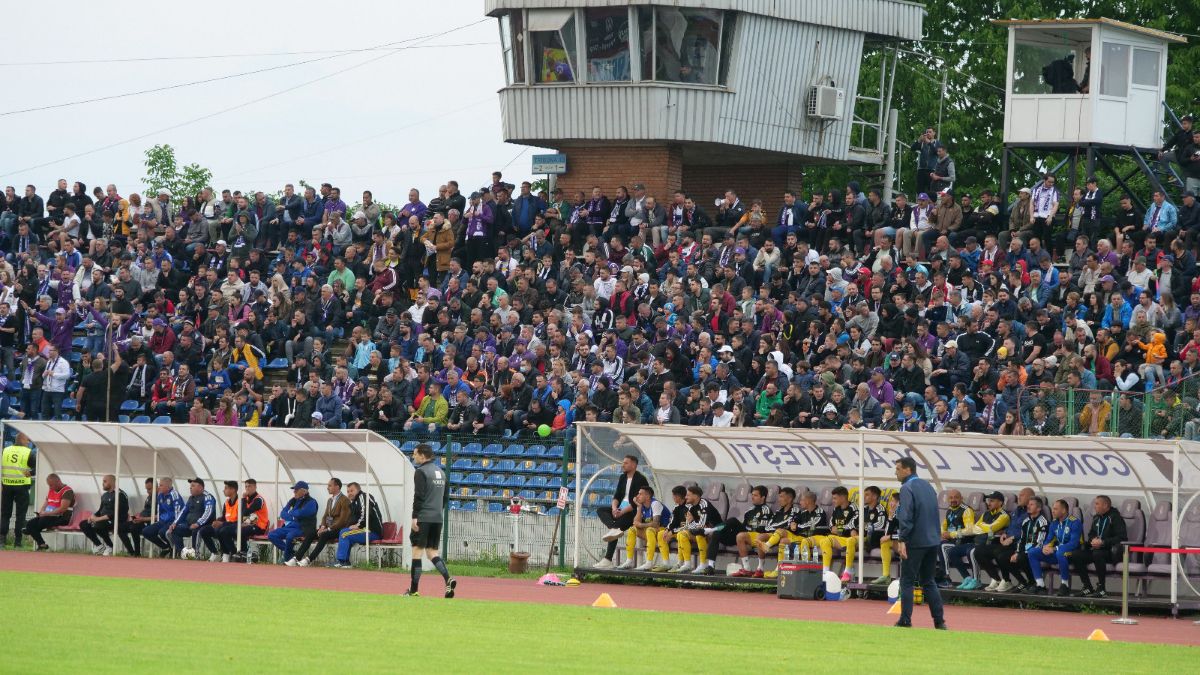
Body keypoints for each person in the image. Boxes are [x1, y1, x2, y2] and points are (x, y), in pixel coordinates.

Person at [894, 457, 947, 630]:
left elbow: (906, 515)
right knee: (929, 581)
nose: (896, 472)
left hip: (916, 541)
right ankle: (939, 621)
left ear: (908, 470)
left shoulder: (907, 488)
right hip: (933, 540)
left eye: (898, 469)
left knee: (907, 581)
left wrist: (902, 539)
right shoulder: (928, 487)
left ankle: (905, 619)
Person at [405, 444, 456, 598]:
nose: (413, 457)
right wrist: (437, 511)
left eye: (415, 454)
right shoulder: (441, 472)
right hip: (437, 518)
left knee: (417, 552)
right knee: (432, 552)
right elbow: (446, 497)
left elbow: (419, 496)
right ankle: (448, 580)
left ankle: (413, 590)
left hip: (423, 517)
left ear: (422, 455)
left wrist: (415, 517)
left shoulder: (421, 472)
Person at [978, 496, 1047, 593]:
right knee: (1002, 557)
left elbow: (1038, 543)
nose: (1028, 506)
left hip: (1035, 550)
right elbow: (1023, 539)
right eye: (1029, 504)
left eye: (1031, 505)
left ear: (1039, 508)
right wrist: (1017, 551)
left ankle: (1032, 582)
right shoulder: (1026, 521)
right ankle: (1023, 582)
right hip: (1023, 548)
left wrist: (1020, 552)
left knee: (1022, 557)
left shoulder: (1042, 522)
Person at [594, 454, 649, 569]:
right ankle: (613, 528)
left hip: (634, 512)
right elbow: (617, 496)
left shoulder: (641, 479)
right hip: (620, 510)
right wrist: (614, 509)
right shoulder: (622, 477)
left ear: (634, 465)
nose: (623, 465)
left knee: (616, 527)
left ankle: (608, 559)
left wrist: (622, 512)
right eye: (623, 462)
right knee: (601, 510)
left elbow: (637, 502)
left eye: (626, 463)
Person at [758, 489, 825, 578]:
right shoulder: (803, 512)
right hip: (798, 537)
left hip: (809, 539)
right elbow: (793, 521)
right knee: (781, 533)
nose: (799, 502)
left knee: (784, 541)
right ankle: (777, 567)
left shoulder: (820, 512)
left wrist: (797, 526)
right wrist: (793, 523)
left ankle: (778, 569)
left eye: (801, 500)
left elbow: (810, 525)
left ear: (808, 501)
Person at [1072, 495, 1127, 598]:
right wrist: (1093, 540)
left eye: (1097, 504)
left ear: (1105, 505)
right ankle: (1087, 587)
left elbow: (1122, 537)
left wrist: (1103, 542)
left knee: (1098, 554)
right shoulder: (1096, 517)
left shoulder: (1116, 518)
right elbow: (1091, 534)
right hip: (1096, 550)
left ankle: (1102, 588)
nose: (1094, 507)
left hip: (1111, 552)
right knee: (1075, 555)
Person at [290, 477, 351, 567]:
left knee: (324, 535)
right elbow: (325, 515)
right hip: (328, 528)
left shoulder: (345, 500)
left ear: (337, 487)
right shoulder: (330, 500)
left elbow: (343, 519)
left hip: (338, 529)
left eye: (330, 485)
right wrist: (322, 526)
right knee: (311, 534)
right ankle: (296, 558)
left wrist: (328, 528)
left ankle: (309, 559)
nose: (327, 488)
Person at [671, 484, 724, 574]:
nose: (686, 497)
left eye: (688, 495)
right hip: (702, 530)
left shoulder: (704, 504)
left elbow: (701, 526)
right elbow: (688, 526)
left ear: (695, 496)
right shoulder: (690, 507)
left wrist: (692, 522)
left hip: (715, 532)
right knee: (682, 534)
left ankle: (703, 564)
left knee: (699, 534)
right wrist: (691, 523)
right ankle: (687, 564)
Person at [78, 474, 133, 556]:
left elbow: (116, 512)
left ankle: (110, 546)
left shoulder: (120, 494)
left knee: (98, 525)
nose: (102, 483)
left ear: (112, 482)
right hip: (104, 520)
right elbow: (101, 510)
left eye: (105, 481)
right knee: (83, 524)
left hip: (116, 520)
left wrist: (98, 519)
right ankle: (99, 546)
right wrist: (93, 516)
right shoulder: (105, 495)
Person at [813, 486, 859, 582]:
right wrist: (832, 528)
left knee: (850, 539)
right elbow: (831, 524)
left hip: (852, 539)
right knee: (825, 541)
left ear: (843, 497)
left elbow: (853, 524)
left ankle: (848, 571)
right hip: (840, 539)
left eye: (835, 498)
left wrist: (839, 529)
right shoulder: (836, 509)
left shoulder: (854, 507)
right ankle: (826, 571)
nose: (833, 501)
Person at [333, 481, 382, 568]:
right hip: (365, 530)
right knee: (344, 531)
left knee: (344, 534)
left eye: (352, 491)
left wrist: (357, 526)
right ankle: (345, 562)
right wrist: (349, 527)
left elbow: (366, 513)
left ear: (358, 490)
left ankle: (343, 561)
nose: (349, 493)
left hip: (372, 531)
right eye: (348, 491)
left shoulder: (363, 496)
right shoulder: (354, 503)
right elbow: (352, 520)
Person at [621, 485, 671, 571]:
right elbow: (635, 523)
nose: (637, 496)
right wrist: (639, 507)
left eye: (640, 494)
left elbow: (656, 524)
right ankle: (629, 561)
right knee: (632, 529)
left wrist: (640, 525)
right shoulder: (642, 506)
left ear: (647, 496)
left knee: (649, 530)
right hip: (653, 532)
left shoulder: (655, 504)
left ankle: (649, 562)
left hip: (664, 531)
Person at [729, 485, 774, 577]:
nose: (752, 497)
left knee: (759, 536)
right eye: (752, 495)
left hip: (762, 535)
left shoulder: (766, 510)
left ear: (763, 497)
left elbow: (763, 529)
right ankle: (746, 568)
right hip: (751, 535)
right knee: (740, 535)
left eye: (756, 495)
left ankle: (760, 568)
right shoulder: (749, 511)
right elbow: (744, 527)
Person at [269, 481, 318, 564]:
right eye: (294, 490)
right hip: (291, 526)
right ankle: (291, 553)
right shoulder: (293, 500)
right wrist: (292, 516)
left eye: (296, 490)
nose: (294, 492)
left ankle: (287, 559)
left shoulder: (311, 502)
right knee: (271, 535)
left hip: (302, 527)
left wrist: (291, 513)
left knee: (290, 537)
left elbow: (301, 513)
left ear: (304, 491)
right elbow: (283, 513)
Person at [1, 432, 36, 548]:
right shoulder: (28, 452)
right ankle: (17, 542)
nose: (28, 442)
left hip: (6, 485)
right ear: (21, 440)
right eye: (27, 440)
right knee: (21, 515)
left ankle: (2, 540)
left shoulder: (5, 450)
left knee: (5, 514)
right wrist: (31, 473)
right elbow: (37, 466)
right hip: (22, 487)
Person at [24, 473, 74, 551]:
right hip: (49, 517)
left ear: (58, 481)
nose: (50, 487)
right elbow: (46, 503)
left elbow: (63, 509)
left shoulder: (67, 491)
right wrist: (41, 512)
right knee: (30, 523)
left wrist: (46, 514)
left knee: (40, 522)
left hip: (62, 517)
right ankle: (42, 544)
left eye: (52, 485)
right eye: (49, 485)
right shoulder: (51, 490)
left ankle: (29, 530)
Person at [938, 489, 977, 588]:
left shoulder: (966, 510)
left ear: (961, 498)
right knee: (938, 545)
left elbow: (970, 530)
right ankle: (966, 578)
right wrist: (943, 533)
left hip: (965, 542)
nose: (953, 500)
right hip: (954, 542)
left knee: (942, 546)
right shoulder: (949, 510)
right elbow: (943, 526)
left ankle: (946, 578)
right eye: (951, 498)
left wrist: (951, 534)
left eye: (956, 497)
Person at [169, 478, 217, 557]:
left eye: (193, 486)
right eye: (190, 486)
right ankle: (182, 553)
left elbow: (208, 512)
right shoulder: (191, 498)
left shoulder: (208, 497)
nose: (190, 488)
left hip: (203, 525)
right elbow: (183, 511)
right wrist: (175, 523)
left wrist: (198, 523)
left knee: (197, 531)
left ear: (200, 487)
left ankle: (195, 554)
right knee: (174, 530)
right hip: (189, 524)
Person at [199, 481, 242, 563]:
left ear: (233, 490)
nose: (223, 490)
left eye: (226, 488)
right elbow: (224, 517)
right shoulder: (226, 502)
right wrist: (218, 521)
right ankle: (215, 553)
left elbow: (240, 520)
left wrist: (222, 523)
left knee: (221, 530)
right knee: (204, 530)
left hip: (236, 525)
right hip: (226, 525)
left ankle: (228, 553)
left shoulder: (240, 502)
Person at [141, 478, 186, 557]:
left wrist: (174, 523)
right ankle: (166, 547)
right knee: (146, 531)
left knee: (162, 532)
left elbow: (178, 511)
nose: (159, 487)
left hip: (172, 522)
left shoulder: (174, 495)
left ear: (168, 487)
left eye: (161, 485)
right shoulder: (160, 495)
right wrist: (158, 521)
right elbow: (159, 510)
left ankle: (174, 549)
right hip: (162, 521)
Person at [651, 486, 690, 572]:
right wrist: (667, 530)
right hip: (677, 530)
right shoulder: (676, 507)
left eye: (674, 496)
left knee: (681, 534)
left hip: (688, 532)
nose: (673, 498)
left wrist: (671, 532)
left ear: (678, 496)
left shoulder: (689, 507)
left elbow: (687, 525)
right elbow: (673, 521)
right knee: (661, 534)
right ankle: (666, 563)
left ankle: (680, 563)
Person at [862, 485, 895, 584]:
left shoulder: (880, 509)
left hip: (874, 538)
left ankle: (886, 575)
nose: (864, 497)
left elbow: (881, 525)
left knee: (873, 533)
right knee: (851, 540)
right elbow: (857, 523)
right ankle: (848, 571)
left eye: (867, 495)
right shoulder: (863, 509)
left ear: (875, 497)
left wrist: (866, 528)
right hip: (862, 536)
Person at [127, 478, 155, 557]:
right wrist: (138, 516)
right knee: (122, 526)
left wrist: (142, 519)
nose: (147, 491)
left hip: (149, 522)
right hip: (142, 519)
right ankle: (130, 551)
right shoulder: (149, 497)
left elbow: (158, 516)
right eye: (147, 489)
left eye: (149, 489)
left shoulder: (158, 499)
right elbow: (146, 510)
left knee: (133, 527)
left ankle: (137, 552)